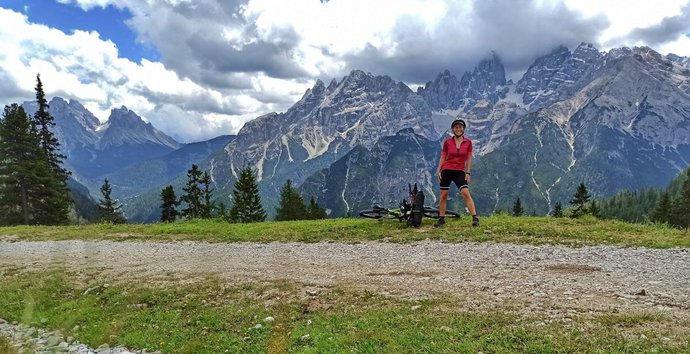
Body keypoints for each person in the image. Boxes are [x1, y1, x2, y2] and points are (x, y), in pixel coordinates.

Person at [435, 118, 479, 227]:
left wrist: (468, 172)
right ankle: (441, 219)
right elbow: (443, 156)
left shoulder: (468, 142)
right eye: (456, 127)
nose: (458, 129)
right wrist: (439, 171)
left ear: (463, 129)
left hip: (459, 171)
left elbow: (469, 158)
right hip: (446, 170)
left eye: (460, 127)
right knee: (443, 194)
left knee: (465, 193)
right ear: (453, 129)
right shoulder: (448, 142)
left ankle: (475, 218)